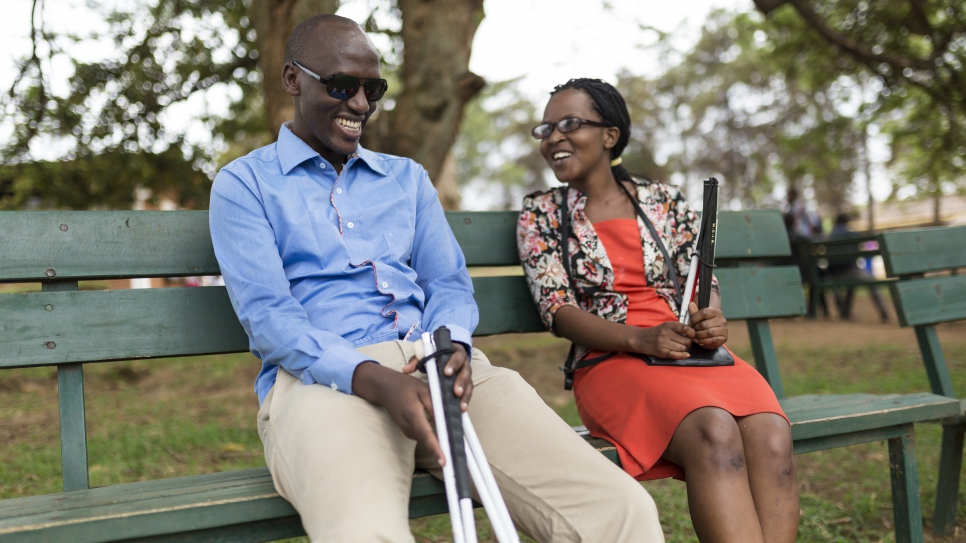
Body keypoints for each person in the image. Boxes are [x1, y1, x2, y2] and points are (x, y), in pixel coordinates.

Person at [208, 16, 664, 542]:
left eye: (372, 89)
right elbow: (269, 318)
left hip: (440, 370)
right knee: (363, 533)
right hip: (325, 385)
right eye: (340, 86)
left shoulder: (407, 179)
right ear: (293, 79)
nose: (360, 104)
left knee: (621, 512)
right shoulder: (245, 184)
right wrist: (374, 379)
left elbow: (447, 283)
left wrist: (454, 348)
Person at [517, 78, 799, 543]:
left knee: (772, 434)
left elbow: (701, 280)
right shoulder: (542, 213)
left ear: (611, 135)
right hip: (612, 360)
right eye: (546, 128)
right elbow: (558, 310)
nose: (554, 137)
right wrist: (639, 339)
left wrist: (710, 316)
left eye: (570, 124)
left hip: (692, 355)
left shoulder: (665, 202)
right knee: (714, 430)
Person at [827, 212, 890, 322]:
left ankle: (845, 311)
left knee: (852, 281)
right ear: (847, 222)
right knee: (869, 280)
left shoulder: (830, 235)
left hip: (833, 273)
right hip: (850, 270)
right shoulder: (852, 234)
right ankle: (883, 310)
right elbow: (862, 243)